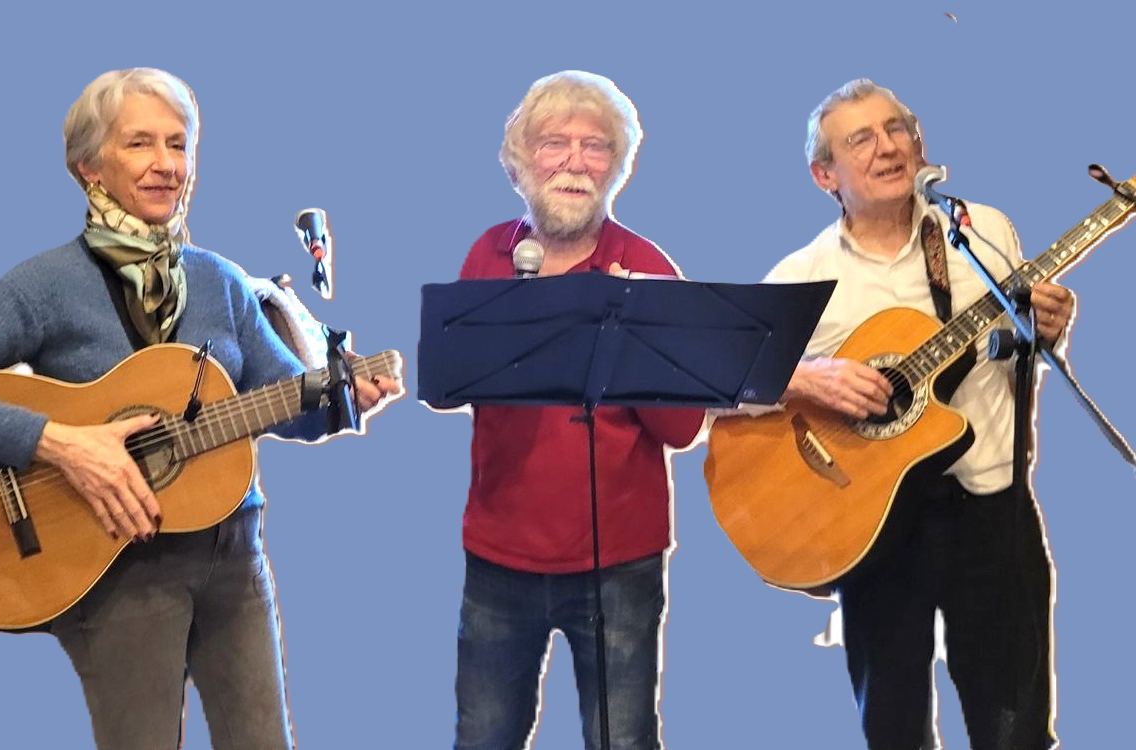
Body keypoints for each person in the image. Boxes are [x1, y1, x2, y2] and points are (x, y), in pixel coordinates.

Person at [0, 68, 399, 749]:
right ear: (89, 166)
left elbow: (284, 404)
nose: (166, 164)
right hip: (118, 566)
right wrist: (57, 442)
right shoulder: (46, 284)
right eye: (140, 144)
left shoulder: (220, 280)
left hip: (235, 559)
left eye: (178, 144)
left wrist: (342, 399)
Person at [726, 79, 1067, 749]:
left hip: (990, 510)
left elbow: (1014, 357)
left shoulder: (980, 232)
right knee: (892, 724)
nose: (888, 148)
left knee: (1016, 724)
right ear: (825, 175)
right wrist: (810, 378)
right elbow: (726, 382)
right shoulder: (804, 275)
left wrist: (1044, 334)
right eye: (861, 139)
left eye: (897, 129)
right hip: (871, 522)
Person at [440, 71, 705, 750]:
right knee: (484, 739)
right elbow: (452, 388)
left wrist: (632, 336)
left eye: (595, 146)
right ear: (520, 161)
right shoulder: (488, 255)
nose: (575, 162)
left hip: (620, 566)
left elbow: (682, 430)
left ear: (617, 167)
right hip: (498, 558)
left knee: (624, 740)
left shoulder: (646, 266)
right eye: (554, 143)